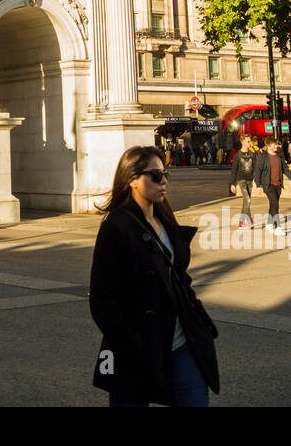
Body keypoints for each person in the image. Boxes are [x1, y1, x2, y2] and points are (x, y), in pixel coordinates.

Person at [89, 145, 219, 407]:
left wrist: (200, 317)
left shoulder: (165, 219)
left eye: (166, 174)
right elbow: (102, 298)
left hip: (181, 339)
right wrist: (129, 340)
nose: (164, 182)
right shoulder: (116, 225)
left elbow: (178, 277)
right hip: (139, 345)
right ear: (133, 180)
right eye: (156, 175)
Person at [251, 137, 291, 234]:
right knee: (275, 203)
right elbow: (258, 171)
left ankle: (269, 224)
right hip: (268, 184)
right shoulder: (263, 156)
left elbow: (285, 168)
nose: (276, 146)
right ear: (268, 146)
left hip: (278, 184)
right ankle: (278, 227)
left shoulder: (279, 156)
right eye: (274, 145)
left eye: (276, 144)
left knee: (273, 205)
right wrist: (258, 185)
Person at [229, 134, 256, 229]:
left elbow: (255, 167)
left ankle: (241, 222)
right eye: (248, 141)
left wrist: (257, 180)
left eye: (250, 141)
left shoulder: (252, 153)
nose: (250, 143)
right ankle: (249, 221)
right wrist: (232, 183)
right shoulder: (238, 155)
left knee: (246, 202)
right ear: (243, 142)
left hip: (250, 180)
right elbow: (234, 170)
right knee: (247, 199)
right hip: (241, 179)